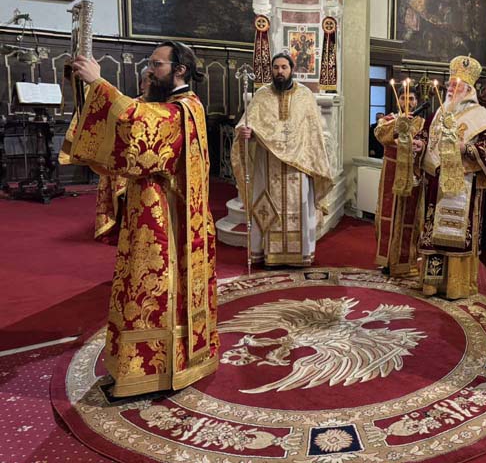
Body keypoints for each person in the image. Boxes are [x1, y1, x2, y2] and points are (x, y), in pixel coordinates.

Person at [59, 41, 219, 397]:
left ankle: (160, 369)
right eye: (150, 63)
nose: (149, 70)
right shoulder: (167, 104)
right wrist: (85, 90)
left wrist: (98, 83)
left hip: (169, 221)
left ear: (180, 69)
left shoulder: (184, 108)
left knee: (157, 288)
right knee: (139, 286)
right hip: (148, 211)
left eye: (157, 64)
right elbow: (129, 120)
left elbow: (136, 127)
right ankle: (141, 367)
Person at [234, 53, 333, 267]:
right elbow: (247, 124)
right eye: (276, 67)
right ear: (271, 70)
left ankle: (300, 256)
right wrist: (246, 133)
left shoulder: (305, 96)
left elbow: (314, 133)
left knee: (301, 209)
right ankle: (269, 254)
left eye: (284, 67)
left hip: (299, 165)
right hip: (268, 165)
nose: (280, 71)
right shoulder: (261, 95)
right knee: (267, 208)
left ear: (291, 69)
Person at [417, 55, 486, 299]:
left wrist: (466, 149)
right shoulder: (439, 114)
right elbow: (427, 138)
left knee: (456, 235)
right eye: (450, 85)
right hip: (438, 184)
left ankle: (457, 286)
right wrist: (419, 146)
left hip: (465, 186)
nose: (452, 89)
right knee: (434, 237)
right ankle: (432, 284)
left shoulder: (484, 117)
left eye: (457, 86)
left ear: (469, 90)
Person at [93, 68, 151, 240]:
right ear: (141, 84)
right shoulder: (131, 106)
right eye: (147, 80)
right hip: (127, 157)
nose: (150, 83)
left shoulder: (170, 107)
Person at [374, 90, 427, 277]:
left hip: (413, 173)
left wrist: (421, 147)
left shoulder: (423, 124)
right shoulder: (389, 119)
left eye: (411, 98)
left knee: (410, 218)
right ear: (398, 100)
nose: (407, 101)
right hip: (391, 172)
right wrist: (399, 124)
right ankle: (388, 261)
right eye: (403, 97)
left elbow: (428, 144)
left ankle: (407, 261)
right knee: (388, 216)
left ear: (416, 102)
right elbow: (380, 134)